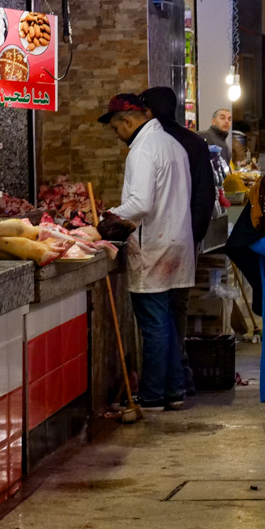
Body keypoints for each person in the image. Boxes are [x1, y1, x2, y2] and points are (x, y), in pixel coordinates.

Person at [98, 94, 196, 411]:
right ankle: (174, 391)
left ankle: (152, 395)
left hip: (155, 244)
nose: (116, 135)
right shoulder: (172, 145)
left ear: (128, 121)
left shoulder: (142, 150)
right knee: (166, 321)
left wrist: (105, 220)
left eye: (116, 128)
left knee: (154, 325)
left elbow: (140, 204)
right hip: (177, 241)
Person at [140, 86, 217, 396]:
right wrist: (192, 235)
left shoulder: (150, 144)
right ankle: (179, 377)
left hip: (160, 242)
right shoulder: (193, 142)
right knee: (177, 309)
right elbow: (206, 195)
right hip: (185, 240)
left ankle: (166, 383)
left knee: (159, 314)